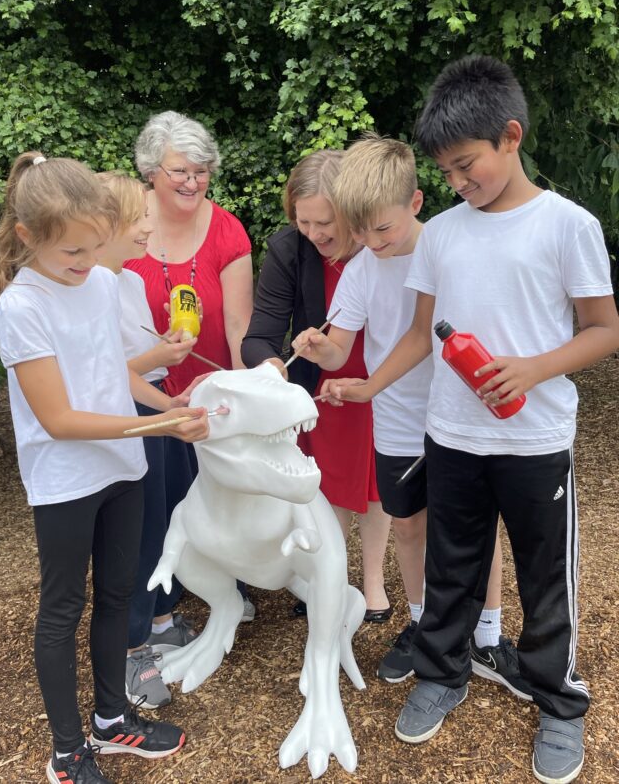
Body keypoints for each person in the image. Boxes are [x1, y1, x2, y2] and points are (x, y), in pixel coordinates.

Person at [317, 58, 619, 784]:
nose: (457, 181)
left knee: (546, 577)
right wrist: (369, 385)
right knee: (452, 566)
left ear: (510, 137)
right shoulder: (444, 235)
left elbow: (605, 329)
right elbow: (421, 335)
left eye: (466, 165)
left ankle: (558, 700)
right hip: (450, 435)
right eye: (447, 172)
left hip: (534, 436)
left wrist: (534, 367)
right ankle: (442, 672)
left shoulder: (567, 224)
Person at [0, 153, 211, 784]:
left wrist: (170, 405)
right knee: (64, 606)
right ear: (28, 236)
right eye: (72, 254)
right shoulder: (21, 306)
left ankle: (112, 723)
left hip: (122, 466)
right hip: (64, 479)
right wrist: (156, 426)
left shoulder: (102, 284)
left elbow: (113, 371)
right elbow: (59, 418)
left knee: (119, 594)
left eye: (93, 248)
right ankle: (67, 752)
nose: (86, 264)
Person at [292, 135, 525, 695]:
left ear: (416, 203)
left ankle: (487, 635)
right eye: (361, 231)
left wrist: (367, 384)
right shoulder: (361, 270)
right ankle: (423, 624)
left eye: (383, 230)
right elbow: (341, 346)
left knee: (472, 528)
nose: (371, 243)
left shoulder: (448, 249)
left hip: (458, 414)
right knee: (409, 526)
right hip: (397, 421)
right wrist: (317, 348)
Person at [241, 149, 392, 618]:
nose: (314, 234)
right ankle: (328, 578)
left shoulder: (381, 244)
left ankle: (372, 581)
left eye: (324, 222)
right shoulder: (288, 249)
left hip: (383, 375)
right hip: (320, 382)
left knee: (376, 480)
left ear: (352, 209)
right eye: (303, 222)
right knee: (326, 479)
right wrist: (273, 368)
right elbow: (260, 334)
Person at [128, 110, 255, 619]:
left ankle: (227, 586)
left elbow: (239, 326)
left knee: (222, 492)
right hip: (142, 388)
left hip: (209, 383)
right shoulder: (124, 221)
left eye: (201, 169)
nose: (192, 180)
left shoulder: (228, 231)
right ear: (151, 171)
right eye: (179, 169)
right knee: (155, 503)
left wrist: (247, 389)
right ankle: (156, 603)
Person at [97, 171, 200, 710]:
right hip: (125, 416)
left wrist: (167, 385)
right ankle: (133, 646)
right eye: (139, 217)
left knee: (165, 517)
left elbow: (135, 357)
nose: (147, 227)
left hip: (155, 408)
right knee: (137, 534)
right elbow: (102, 372)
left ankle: (161, 617)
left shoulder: (131, 281)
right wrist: (157, 360)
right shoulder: (92, 285)